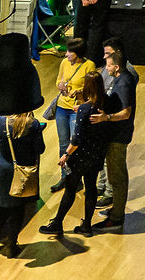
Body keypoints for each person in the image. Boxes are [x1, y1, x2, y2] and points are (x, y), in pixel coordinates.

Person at [41, 72, 109, 237]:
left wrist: (66, 154)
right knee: (91, 188)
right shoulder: (106, 103)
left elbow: (77, 139)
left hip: (80, 157)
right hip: (96, 154)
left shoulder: (85, 109)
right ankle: (87, 225)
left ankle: (57, 223)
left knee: (70, 189)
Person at [0, 109, 45, 257]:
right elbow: (40, 149)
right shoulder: (34, 124)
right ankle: (12, 245)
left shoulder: (1, 121)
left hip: (2, 172)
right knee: (17, 209)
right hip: (22, 174)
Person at [93, 44, 138, 230]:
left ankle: (116, 218)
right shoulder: (119, 79)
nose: (106, 68)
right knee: (114, 176)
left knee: (117, 178)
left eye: (109, 65)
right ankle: (116, 211)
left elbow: (126, 112)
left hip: (119, 137)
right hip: (114, 135)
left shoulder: (124, 82)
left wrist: (107, 117)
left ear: (117, 67)